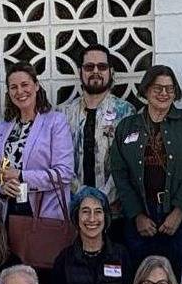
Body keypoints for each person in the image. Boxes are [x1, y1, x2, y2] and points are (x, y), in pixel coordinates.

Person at [109, 63, 182, 271]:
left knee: (177, 275)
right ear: (146, 90)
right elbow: (120, 174)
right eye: (158, 88)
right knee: (140, 276)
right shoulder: (127, 126)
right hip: (140, 216)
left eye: (170, 88)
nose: (164, 93)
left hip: (178, 216)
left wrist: (179, 211)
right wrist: (137, 215)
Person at [0, 64, 75, 220]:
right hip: (10, 210)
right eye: (13, 87)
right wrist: (1, 188)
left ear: (37, 85)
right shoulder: (2, 126)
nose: (20, 91)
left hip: (45, 214)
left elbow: (64, 173)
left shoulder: (55, 122)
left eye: (25, 84)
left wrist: (22, 176)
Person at [57, 40, 135, 194]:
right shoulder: (64, 114)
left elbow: (128, 161)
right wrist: (82, 196)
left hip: (115, 204)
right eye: (89, 67)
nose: (95, 71)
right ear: (80, 71)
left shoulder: (126, 112)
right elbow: (59, 161)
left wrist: (103, 197)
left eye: (102, 67)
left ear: (111, 72)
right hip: (73, 203)